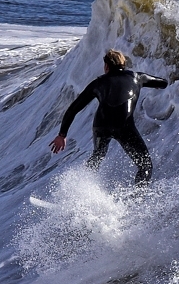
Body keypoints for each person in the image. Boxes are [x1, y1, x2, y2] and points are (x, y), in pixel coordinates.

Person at [50, 49, 168, 185]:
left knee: (98, 156)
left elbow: (73, 109)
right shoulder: (137, 77)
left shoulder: (98, 83)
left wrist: (62, 135)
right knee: (145, 166)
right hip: (123, 126)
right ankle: (136, 199)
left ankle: (82, 187)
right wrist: (160, 83)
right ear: (123, 64)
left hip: (101, 125)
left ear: (106, 66)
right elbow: (163, 83)